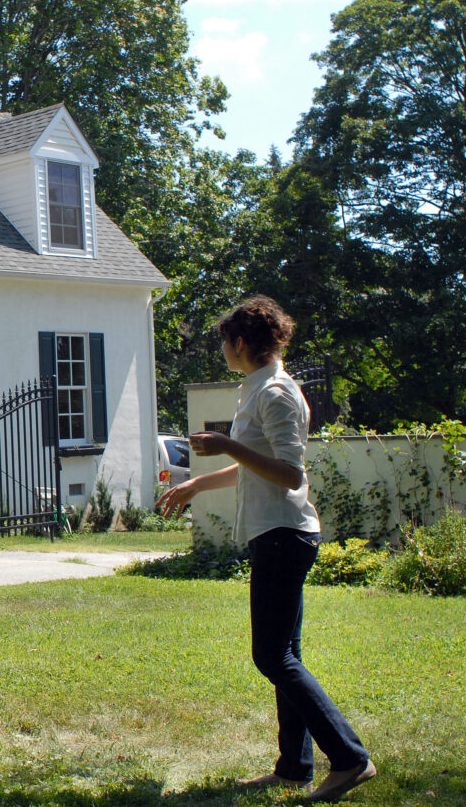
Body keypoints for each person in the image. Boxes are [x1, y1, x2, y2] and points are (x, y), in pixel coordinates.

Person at [156, 296, 376, 803]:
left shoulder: (275, 392)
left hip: (285, 533)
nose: (223, 352)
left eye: (225, 344)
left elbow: (291, 474)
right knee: (286, 652)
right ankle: (294, 767)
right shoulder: (257, 388)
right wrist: (197, 485)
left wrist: (228, 446)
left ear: (240, 343)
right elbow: (260, 464)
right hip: (275, 533)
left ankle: (349, 758)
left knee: (272, 656)